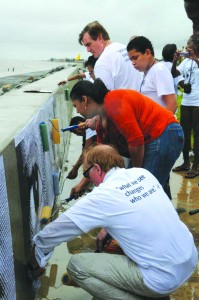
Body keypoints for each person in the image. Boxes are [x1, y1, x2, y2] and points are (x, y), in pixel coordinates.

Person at [28, 144, 197, 300]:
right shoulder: (142, 174)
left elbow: (59, 229)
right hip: (188, 260)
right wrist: (108, 229)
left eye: (87, 174)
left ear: (97, 169)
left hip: (162, 279)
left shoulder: (103, 195)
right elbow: (138, 212)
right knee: (117, 246)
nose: (90, 181)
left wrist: (36, 257)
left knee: (76, 266)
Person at [69, 79, 184, 196]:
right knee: (140, 188)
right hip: (151, 140)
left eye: (75, 106)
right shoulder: (100, 125)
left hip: (164, 133)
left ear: (84, 100)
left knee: (143, 190)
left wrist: (135, 175)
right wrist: (82, 184)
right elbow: (99, 159)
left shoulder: (113, 102)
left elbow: (136, 142)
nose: (77, 111)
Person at [78, 21, 142, 91]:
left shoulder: (102, 63)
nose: (88, 50)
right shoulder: (126, 48)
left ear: (100, 37)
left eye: (89, 44)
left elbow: (105, 99)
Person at [126, 36, 177, 113]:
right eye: (131, 59)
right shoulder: (147, 72)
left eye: (135, 58)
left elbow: (172, 105)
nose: (133, 63)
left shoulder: (159, 71)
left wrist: (157, 124)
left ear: (147, 53)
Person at [172, 35, 199, 178]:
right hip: (187, 102)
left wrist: (194, 58)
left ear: (195, 45)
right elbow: (174, 73)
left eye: (189, 43)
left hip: (198, 103)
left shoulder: (194, 60)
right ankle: (186, 162)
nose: (187, 46)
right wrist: (175, 61)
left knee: (197, 134)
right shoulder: (186, 61)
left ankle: (196, 165)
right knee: (185, 132)